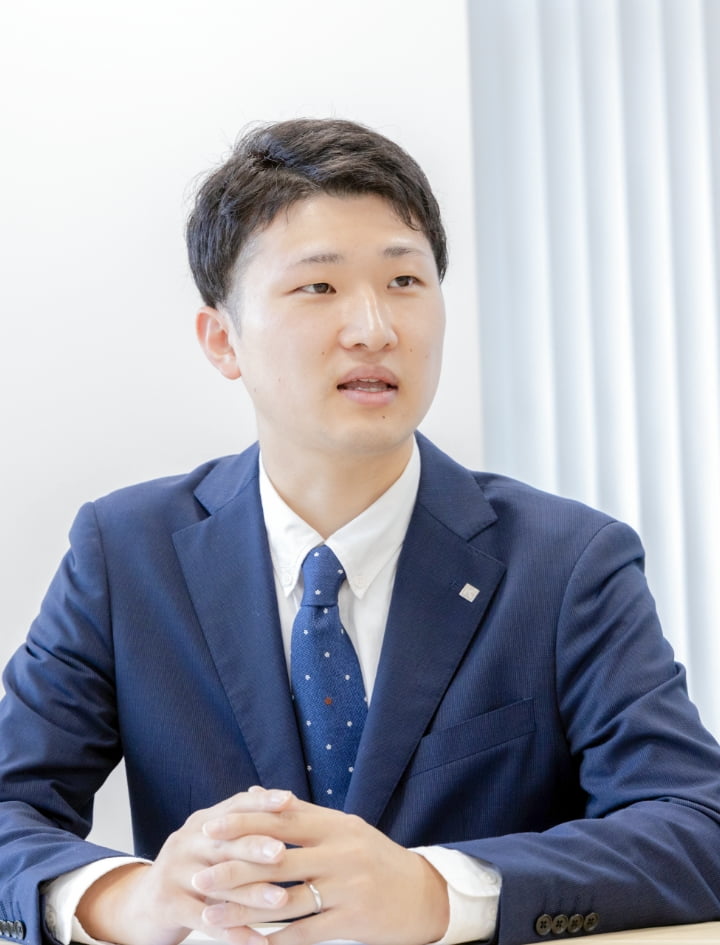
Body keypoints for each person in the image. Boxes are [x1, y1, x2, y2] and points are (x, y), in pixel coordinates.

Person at [1, 118, 720, 945]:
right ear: (223, 339)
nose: (375, 328)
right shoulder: (127, 554)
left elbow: (695, 822)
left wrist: (440, 889)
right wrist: (128, 898)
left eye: (406, 280)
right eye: (319, 287)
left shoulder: (566, 563)